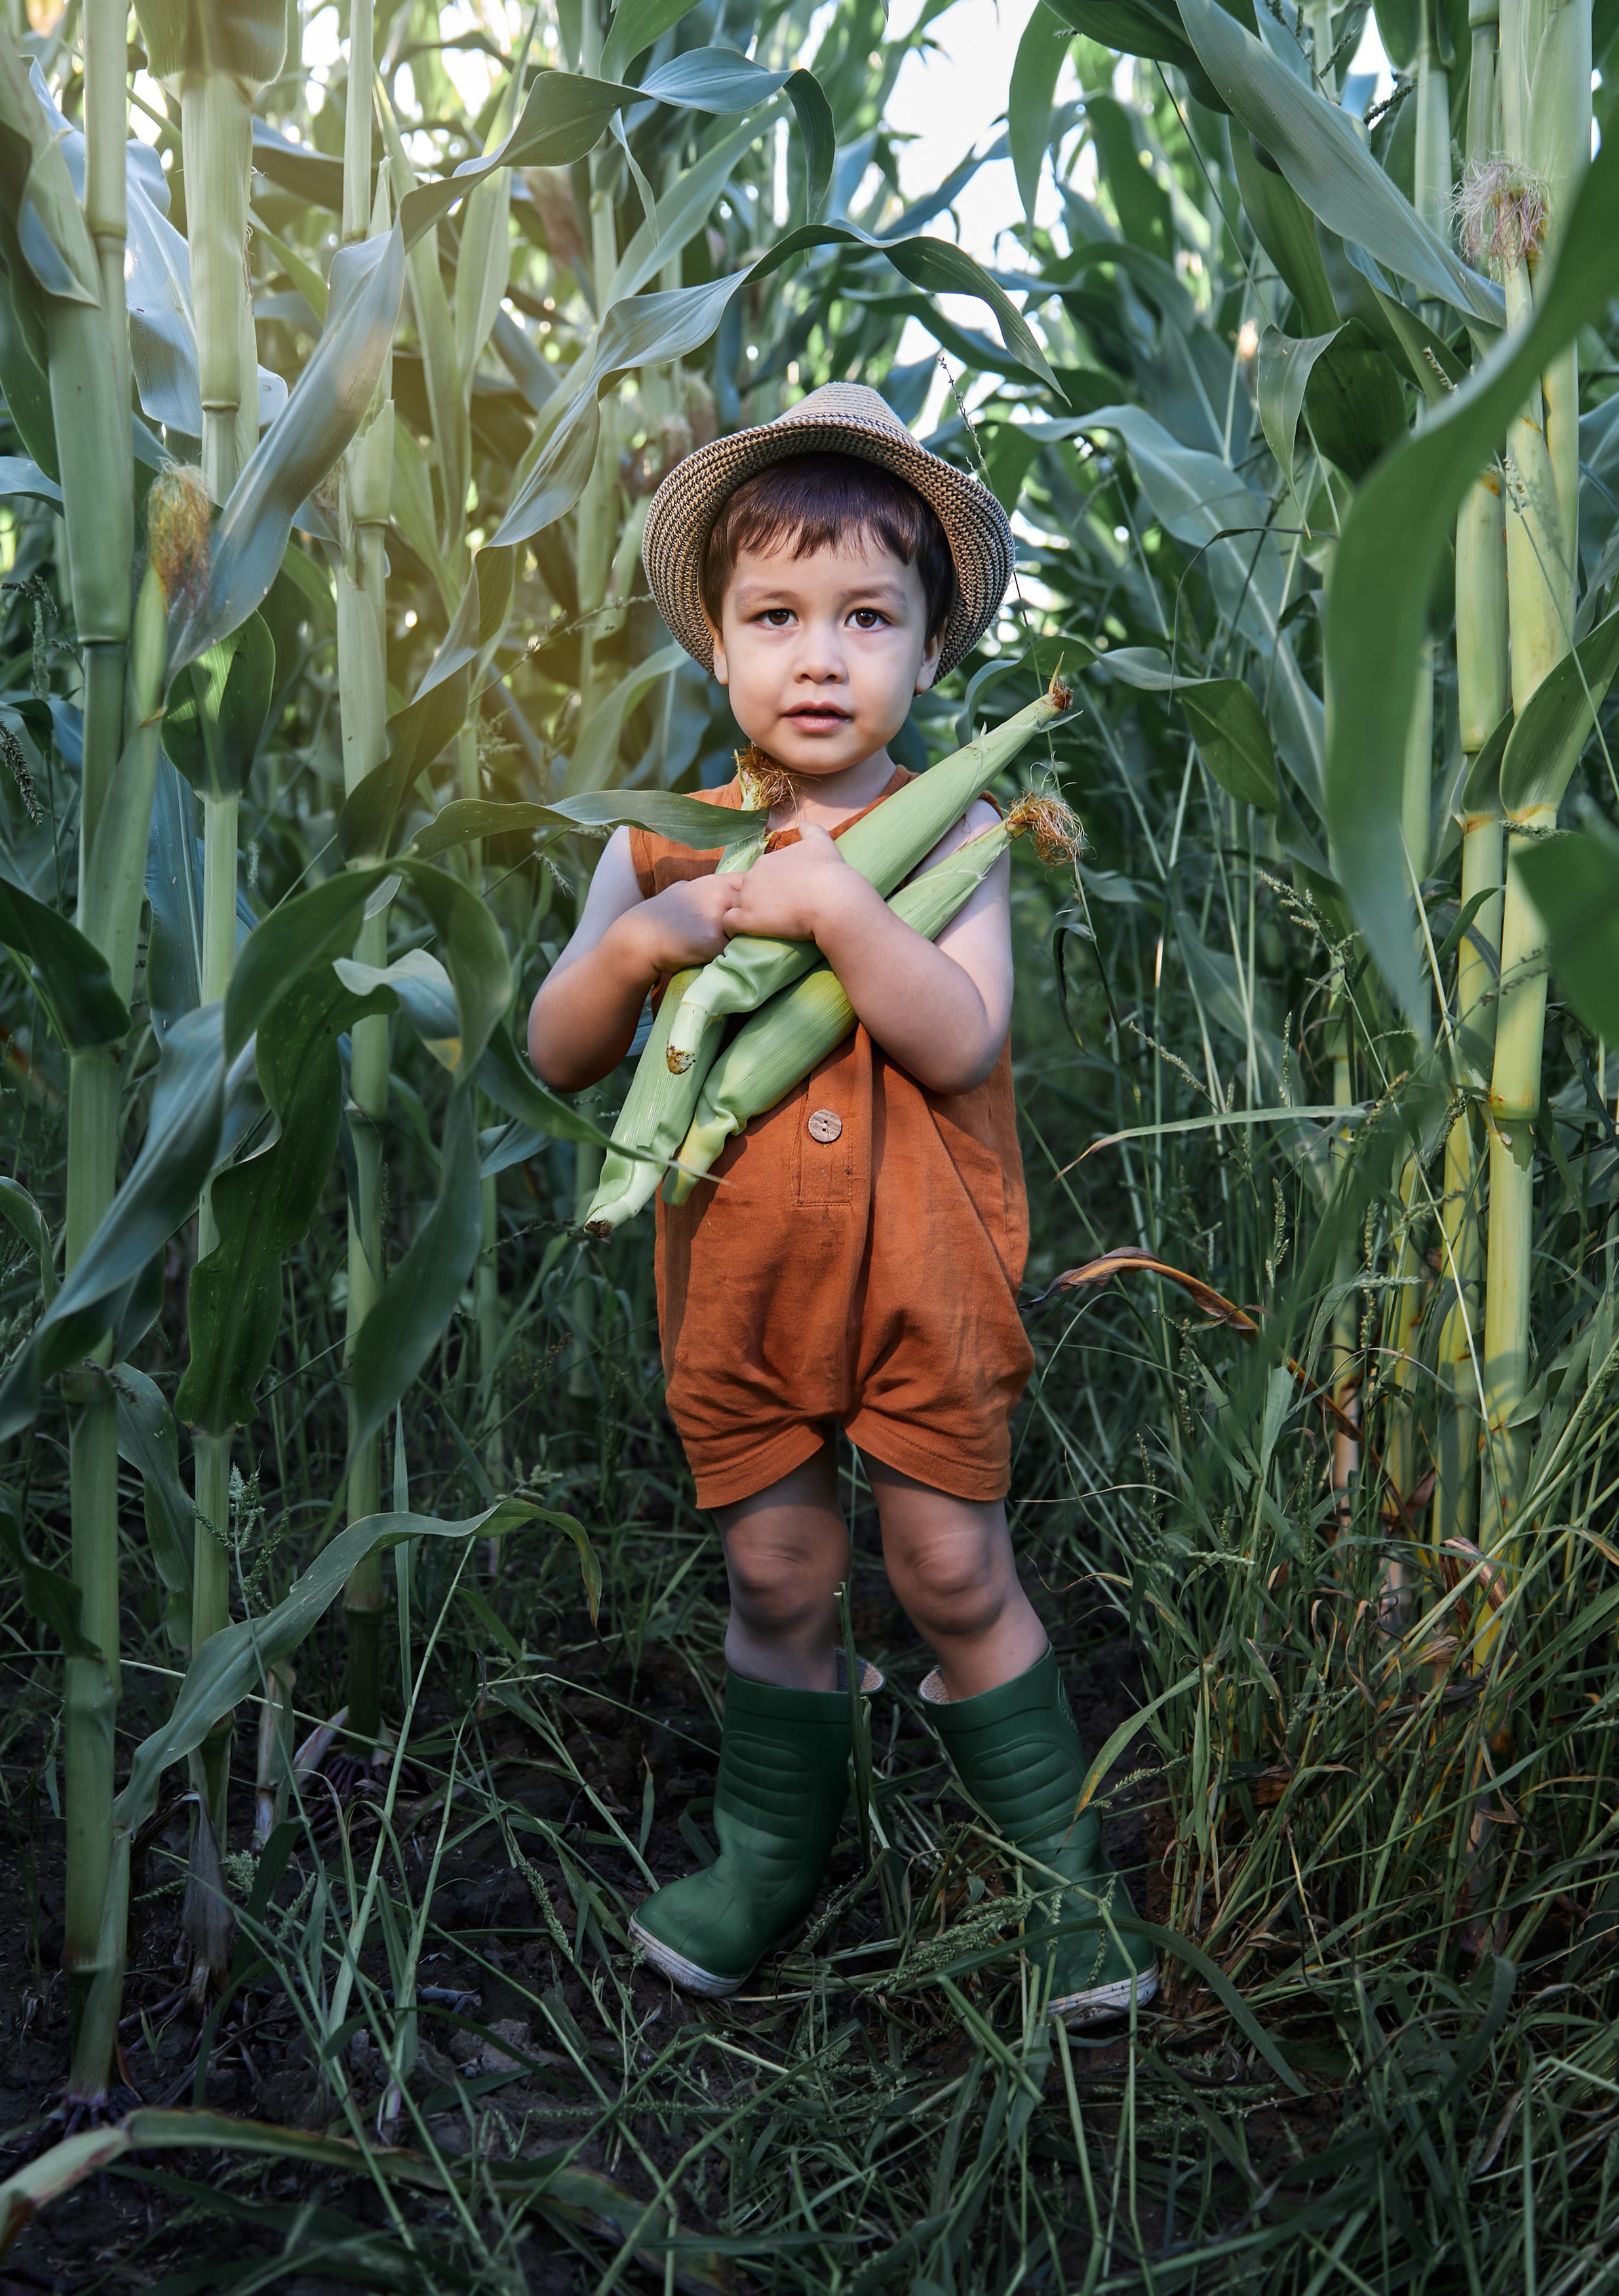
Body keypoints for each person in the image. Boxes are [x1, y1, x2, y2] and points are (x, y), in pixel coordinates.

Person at [527, 382, 1156, 2026]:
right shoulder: (664, 849)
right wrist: (640, 948)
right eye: (776, 617)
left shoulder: (952, 831)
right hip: (734, 1286)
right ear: (715, 650)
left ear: (928, 656)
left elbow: (957, 1037)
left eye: (866, 618)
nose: (820, 656)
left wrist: (830, 910)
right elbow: (555, 1052)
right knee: (781, 1576)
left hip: (928, 1279)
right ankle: (766, 1853)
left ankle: (1061, 1884)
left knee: (948, 1568)